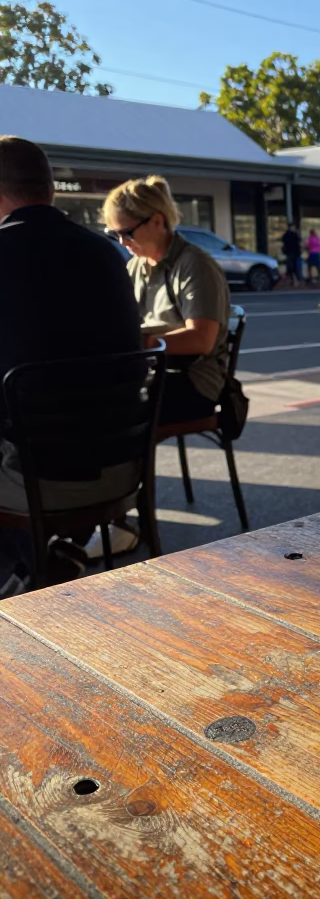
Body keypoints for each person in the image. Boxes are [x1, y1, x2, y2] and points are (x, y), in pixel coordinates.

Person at [0, 136, 142, 597]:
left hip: (37, 481)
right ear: (50, 190)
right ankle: (49, 555)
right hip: (121, 467)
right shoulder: (108, 255)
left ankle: (26, 568)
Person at [94, 174, 231, 557]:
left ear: (157, 220)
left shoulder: (195, 265)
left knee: (118, 412)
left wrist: (143, 342)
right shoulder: (137, 266)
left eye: (127, 232)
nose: (122, 242)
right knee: (92, 400)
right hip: (155, 373)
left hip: (195, 381)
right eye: (113, 234)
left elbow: (201, 339)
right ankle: (97, 512)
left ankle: (121, 522)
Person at [281, 222, 301, 286]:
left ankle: (292, 280)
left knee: (290, 267)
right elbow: (298, 242)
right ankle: (294, 280)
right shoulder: (294, 235)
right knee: (293, 267)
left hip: (289, 252)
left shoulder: (286, 235)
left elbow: (283, 241)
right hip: (293, 252)